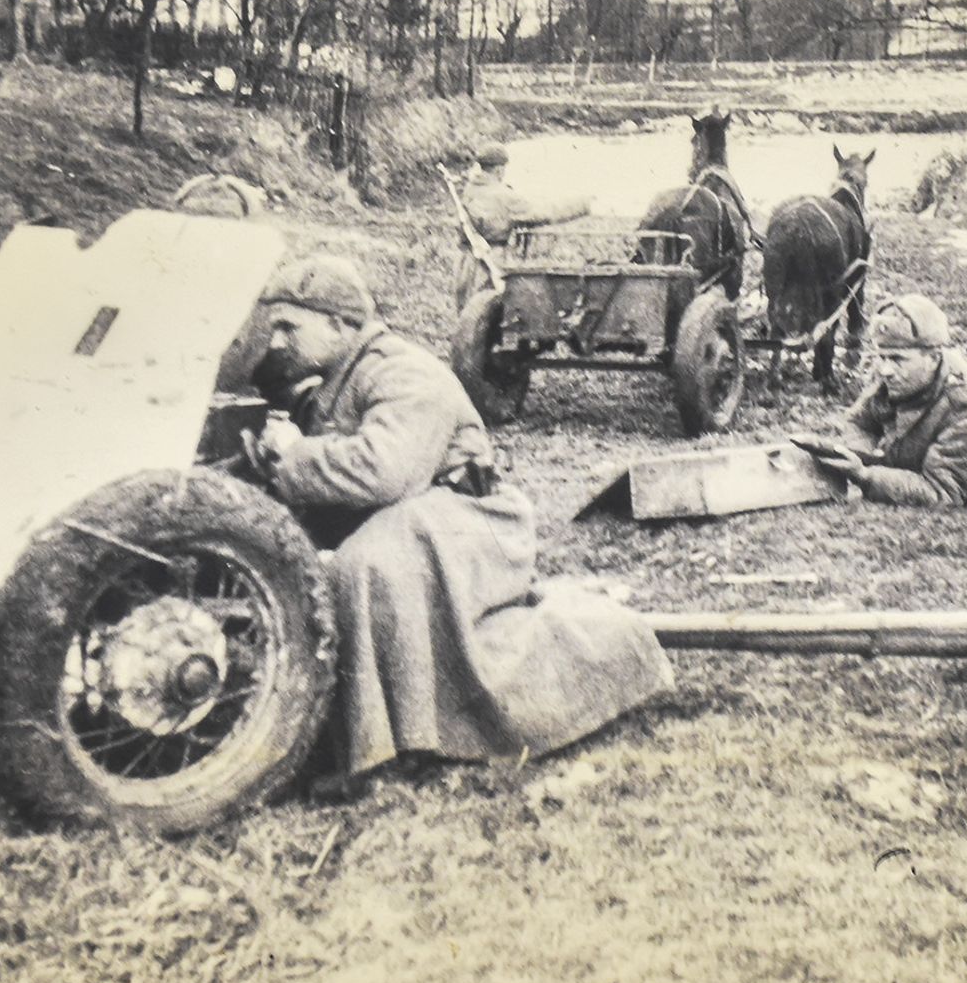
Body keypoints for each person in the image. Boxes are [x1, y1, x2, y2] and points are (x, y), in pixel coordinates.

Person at [243, 252, 674, 779]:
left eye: (290, 327)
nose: (278, 341)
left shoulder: (402, 371)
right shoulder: (342, 372)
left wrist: (294, 455)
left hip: (474, 517)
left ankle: (393, 748)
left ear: (338, 325)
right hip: (427, 511)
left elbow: (386, 470)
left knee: (366, 566)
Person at [809, 293, 967, 510]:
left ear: (934, 357)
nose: (885, 370)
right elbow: (858, 423)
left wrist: (865, 474)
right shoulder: (892, 374)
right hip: (918, 473)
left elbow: (941, 492)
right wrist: (866, 455)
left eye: (897, 358)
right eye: (881, 356)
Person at [451, 142, 591, 309]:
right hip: (490, 260)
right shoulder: (503, 196)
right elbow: (544, 212)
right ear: (499, 170)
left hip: (466, 259)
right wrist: (583, 205)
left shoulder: (470, 189)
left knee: (468, 311)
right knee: (490, 309)